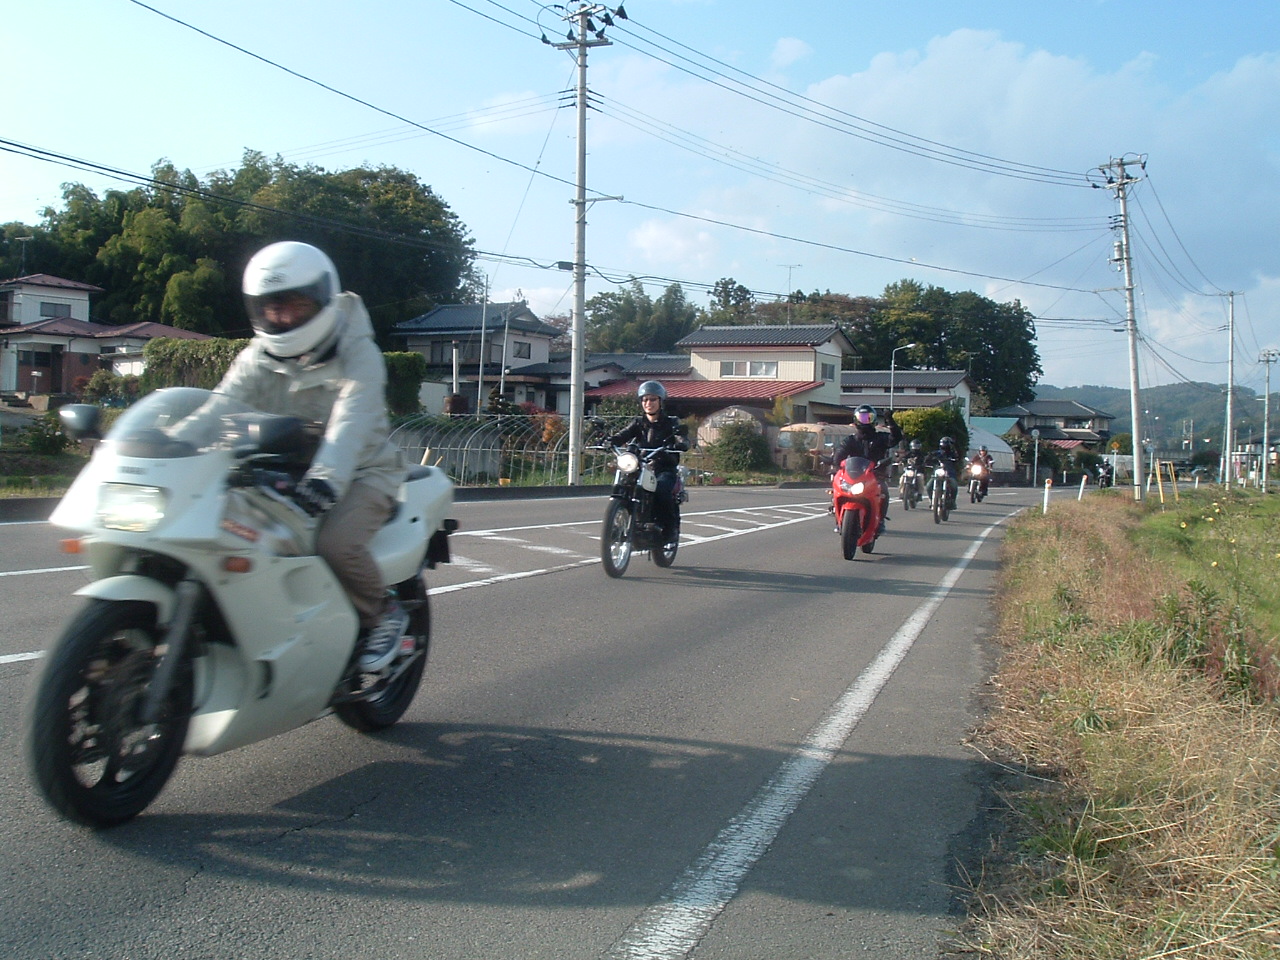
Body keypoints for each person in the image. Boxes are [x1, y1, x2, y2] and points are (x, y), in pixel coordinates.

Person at [197, 241, 408, 672]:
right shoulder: (258, 355)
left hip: (362, 473)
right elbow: (219, 405)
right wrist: (168, 443)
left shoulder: (358, 352)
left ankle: (383, 614)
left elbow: (351, 423)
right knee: (227, 534)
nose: (284, 317)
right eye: (272, 307)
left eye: (295, 305)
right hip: (282, 468)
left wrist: (325, 481)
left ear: (322, 299)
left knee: (336, 543)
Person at [605, 381, 688, 545]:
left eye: (652, 400)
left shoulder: (671, 422)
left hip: (663, 468)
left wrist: (681, 442)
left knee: (662, 490)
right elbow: (623, 435)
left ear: (660, 402)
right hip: (641, 466)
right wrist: (610, 441)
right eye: (644, 400)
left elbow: (681, 438)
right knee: (626, 483)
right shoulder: (638, 423)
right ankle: (619, 520)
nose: (648, 403)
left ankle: (670, 529)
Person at [832, 404, 902, 533]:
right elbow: (839, 454)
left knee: (884, 492)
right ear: (856, 419)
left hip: (875, 475)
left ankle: (880, 520)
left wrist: (890, 421)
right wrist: (835, 465)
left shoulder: (880, 438)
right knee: (836, 489)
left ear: (874, 420)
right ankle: (837, 517)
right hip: (853, 476)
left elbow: (895, 438)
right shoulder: (851, 440)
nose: (865, 421)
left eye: (868, 418)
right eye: (862, 417)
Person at [926, 436, 963, 509]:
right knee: (929, 486)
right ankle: (932, 500)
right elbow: (928, 457)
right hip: (937, 474)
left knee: (954, 485)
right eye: (943, 445)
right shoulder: (937, 453)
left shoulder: (953, 453)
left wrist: (956, 459)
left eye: (946, 445)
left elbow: (958, 458)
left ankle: (952, 501)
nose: (944, 447)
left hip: (950, 474)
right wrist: (929, 459)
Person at [899, 438, 927, 503]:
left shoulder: (922, 455)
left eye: (917, 446)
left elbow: (926, 460)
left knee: (920, 478)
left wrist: (924, 464)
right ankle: (901, 492)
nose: (915, 448)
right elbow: (904, 458)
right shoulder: (909, 453)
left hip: (918, 471)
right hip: (909, 470)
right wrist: (901, 461)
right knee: (902, 478)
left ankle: (920, 494)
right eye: (914, 446)